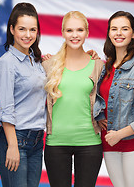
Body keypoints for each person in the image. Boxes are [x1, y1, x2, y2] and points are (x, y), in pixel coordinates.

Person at [93, 11, 134, 187]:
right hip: (109, 145)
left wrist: (120, 134)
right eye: (114, 29)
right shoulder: (104, 68)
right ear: (108, 33)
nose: (119, 33)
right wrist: (99, 118)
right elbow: (99, 99)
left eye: (124, 29)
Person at [43, 11, 104, 187]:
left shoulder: (98, 65)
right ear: (62, 32)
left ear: (87, 32)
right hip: (56, 143)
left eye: (79, 30)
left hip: (89, 143)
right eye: (69, 30)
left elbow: (107, 97)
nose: (75, 35)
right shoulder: (48, 65)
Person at [0, 3, 46, 187]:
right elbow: (5, 107)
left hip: (37, 141)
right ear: (12, 29)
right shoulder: (7, 62)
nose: (28, 35)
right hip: (16, 139)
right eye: (22, 29)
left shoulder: (37, 61)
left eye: (33, 29)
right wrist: (13, 146)